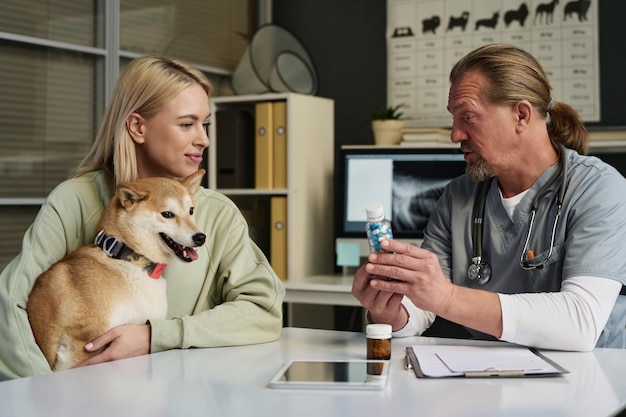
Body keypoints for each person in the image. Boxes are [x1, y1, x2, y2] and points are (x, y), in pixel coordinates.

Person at [0, 56, 285, 379]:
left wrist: (154, 336)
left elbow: (263, 310)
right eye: (187, 124)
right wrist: (41, 393)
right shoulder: (74, 199)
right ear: (137, 126)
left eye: (205, 125)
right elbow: (10, 306)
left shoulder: (219, 213)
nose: (203, 139)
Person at [352, 43, 626, 351]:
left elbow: (581, 322)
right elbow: (421, 306)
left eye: (467, 117)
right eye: (454, 119)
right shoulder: (459, 196)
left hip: (593, 378)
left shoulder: (598, 189)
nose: (455, 134)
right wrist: (390, 312)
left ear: (521, 115)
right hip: (495, 379)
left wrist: (448, 297)